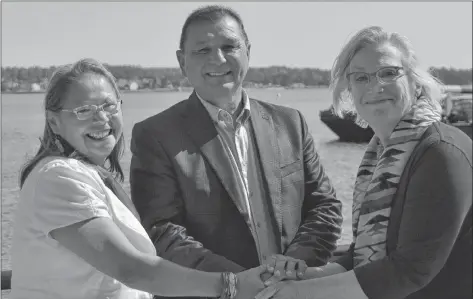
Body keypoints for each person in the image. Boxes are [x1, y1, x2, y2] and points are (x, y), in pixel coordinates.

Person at [10, 58, 269, 299]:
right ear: (54, 122)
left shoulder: (88, 175)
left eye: (109, 106)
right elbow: (130, 269)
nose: (101, 119)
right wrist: (231, 285)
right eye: (84, 111)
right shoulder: (57, 177)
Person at [129, 4, 343, 288]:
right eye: (202, 50)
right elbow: (163, 232)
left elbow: (324, 206)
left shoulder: (290, 123)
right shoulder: (155, 135)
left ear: (248, 52)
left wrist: (295, 265)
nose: (218, 59)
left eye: (229, 46)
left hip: (293, 289)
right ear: (182, 62)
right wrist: (237, 283)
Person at [255, 26, 472, 299]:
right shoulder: (381, 155)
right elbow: (365, 256)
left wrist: (298, 293)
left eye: (389, 72)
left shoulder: (440, 152)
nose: (375, 86)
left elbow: (409, 270)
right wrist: (305, 275)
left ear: (416, 82)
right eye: (361, 77)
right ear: (349, 90)